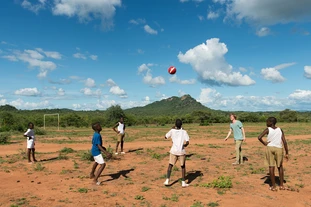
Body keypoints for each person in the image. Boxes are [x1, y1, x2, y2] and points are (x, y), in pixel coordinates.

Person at [257, 117, 289, 191]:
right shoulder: (280, 130)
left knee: (271, 166)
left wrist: (264, 143)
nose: (266, 123)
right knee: (280, 166)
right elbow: (284, 141)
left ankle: (273, 186)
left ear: (271, 122)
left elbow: (259, 137)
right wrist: (287, 152)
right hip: (279, 149)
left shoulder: (268, 129)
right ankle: (281, 185)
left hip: (270, 148)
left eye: (267, 122)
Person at [163, 119, 190, 188]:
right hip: (181, 151)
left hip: (173, 151)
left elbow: (165, 137)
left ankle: (167, 180)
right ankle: (183, 182)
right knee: (183, 166)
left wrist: (172, 129)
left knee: (170, 165)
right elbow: (187, 141)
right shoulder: (184, 132)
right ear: (181, 125)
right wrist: (184, 145)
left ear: (175, 125)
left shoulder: (172, 131)